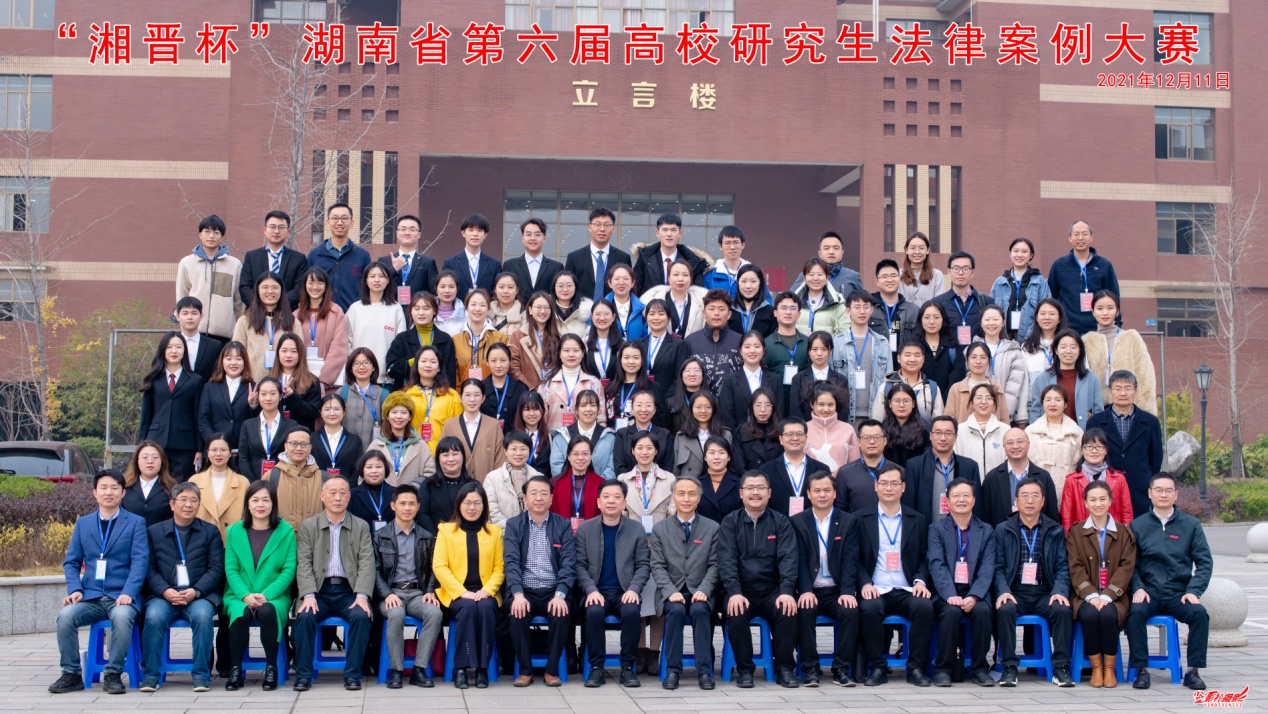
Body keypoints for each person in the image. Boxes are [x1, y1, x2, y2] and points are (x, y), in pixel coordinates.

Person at [48, 471, 149, 695]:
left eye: (114, 488)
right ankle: (71, 673)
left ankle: (113, 674)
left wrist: (129, 592)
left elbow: (140, 562)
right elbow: (71, 562)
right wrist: (75, 589)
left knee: (122, 617)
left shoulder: (135, 523)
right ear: (95, 492)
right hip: (91, 595)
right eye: (103, 488)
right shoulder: (83, 523)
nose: (108, 492)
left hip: (121, 595)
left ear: (123, 493)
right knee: (65, 616)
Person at [1126, 472, 1213, 691]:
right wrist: (1138, 587)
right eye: (1158, 490)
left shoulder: (1191, 525)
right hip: (1148, 592)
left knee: (1199, 614)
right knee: (1135, 613)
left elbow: (1204, 562)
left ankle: (1193, 671)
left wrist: (1193, 591)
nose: (1163, 494)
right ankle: (1141, 670)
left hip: (1178, 593)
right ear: (1150, 493)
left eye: (1168, 490)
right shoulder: (1137, 526)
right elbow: (1129, 564)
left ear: (1176, 494)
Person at [717, 471, 800, 688]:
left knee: (787, 610)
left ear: (769, 493)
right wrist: (734, 592)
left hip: (773, 589)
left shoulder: (780, 522)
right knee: (736, 611)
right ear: (741, 493)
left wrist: (786, 591)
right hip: (742, 589)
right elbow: (726, 560)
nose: (755, 492)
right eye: (750, 488)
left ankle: (784, 668)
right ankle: (745, 669)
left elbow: (789, 559)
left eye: (761, 488)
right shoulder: (730, 522)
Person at [139, 481, 225, 691]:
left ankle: (201, 675)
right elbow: (148, 569)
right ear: (172, 504)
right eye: (183, 500)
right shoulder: (154, 532)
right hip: (163, 595)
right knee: (154, 617)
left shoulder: (210, 531)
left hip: (198, 595)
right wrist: (164, 591)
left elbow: (216, 568)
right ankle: (151, 675)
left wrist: (196, 591)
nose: (188, 505)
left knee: (203, 617)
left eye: (194, 500)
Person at [292, 475, 375, 691]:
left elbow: (367, 563)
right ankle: (303, 675)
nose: (337, 498)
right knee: (305, 617)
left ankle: (353, 674)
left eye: (342, 493)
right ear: (322, 496)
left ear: (349, 497)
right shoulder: (309, 526)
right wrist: (308, 595)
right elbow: (303, 563)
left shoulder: (361, 526)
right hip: (319, 590)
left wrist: (361, 595)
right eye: (332, 493)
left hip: (349, 591)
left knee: (361, 616)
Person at [991, 477, 1075, 687]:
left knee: (1062, 609)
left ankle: (1061, 667)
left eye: (1035, 496)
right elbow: (998, 567)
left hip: (1044, 592)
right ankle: (1009, 667)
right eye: (1025, 496)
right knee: (1005, 609)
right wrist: (1003, 591)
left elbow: (1062, 566)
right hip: (1015, 591)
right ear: (1016, 501)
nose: (1030, 501)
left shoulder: (1054, 530)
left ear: (1043, 501)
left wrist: (1059, 591)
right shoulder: (1003, 529)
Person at [856, 463, 933, 687]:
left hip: (907, 587)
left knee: (924, 607)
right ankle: (877, 667)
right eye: (884, 483)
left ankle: (916, 668)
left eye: (894, 483)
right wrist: (864, 583)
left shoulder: (917, 519)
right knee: (869, 608)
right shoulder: (860, 518)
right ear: (875, 486)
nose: (888, 488)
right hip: (876, 587)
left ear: (903, 487)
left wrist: (920, 581)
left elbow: (924, 556)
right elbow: (854, 558)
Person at [575, 479, 651, 688]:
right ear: (598, 502)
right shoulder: (585, 529)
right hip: (595, 591)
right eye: (606, 497)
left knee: (631, 611)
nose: (611, 501)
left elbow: (643, 565)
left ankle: (627, 667)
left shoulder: (636, 529)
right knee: (594, 612)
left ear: (624, 503)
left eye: (617, 497)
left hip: (624, 591)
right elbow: (579, 565)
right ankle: (596, 668)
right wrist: (590, 590)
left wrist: (634, 589)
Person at [221, 480, 296, 691]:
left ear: (273, 503)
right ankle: (235, 669)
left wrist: (267, 595)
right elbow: (231, 570)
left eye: (265, 500)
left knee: (268, 611)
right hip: (239, 593)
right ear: (247, 503)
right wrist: (245, 595)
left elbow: (289, 569)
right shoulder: (234, 531)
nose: (260, 505)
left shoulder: (286, 531)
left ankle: (271, 667)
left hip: (275, 594)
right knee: (241, 613)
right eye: (255, 500)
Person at [504, 475, 576, 687]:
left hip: (553, 590)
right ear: (524, 498)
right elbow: (511, 563)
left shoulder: (563, 525)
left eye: (544, 493)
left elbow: (568, 565)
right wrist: (518, 594)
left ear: (551, 499)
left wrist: (560, 594)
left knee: (561, 613)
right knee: (517, 613)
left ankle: (551, 671)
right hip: (524, 590)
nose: (538, 498)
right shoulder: (514, 525)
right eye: (533, 493)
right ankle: (525, 671)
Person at [650, 475, 720, 690]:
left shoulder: (712, 527)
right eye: (681, 494)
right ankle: (672, 670)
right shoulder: (660, 529)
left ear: (699, 498)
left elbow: (716, 565)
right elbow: (657, 566)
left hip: (701, 591)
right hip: (672, 591)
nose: (686, 499)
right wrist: (670, 591)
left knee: (700, 610)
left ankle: (705, 671)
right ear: (673, 497)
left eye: (692, 494)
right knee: (676, 611)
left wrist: (705, 589)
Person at [791, 471, 860, 687]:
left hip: (836, 590)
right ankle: (810, 667)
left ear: (835, 493)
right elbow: (799, 560)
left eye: (827, 490)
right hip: (811, 589)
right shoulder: (797, 522)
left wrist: (847, 591)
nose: (822, 495)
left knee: (851, 611)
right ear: (809, 494)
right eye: (817, 490)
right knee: (804, 610)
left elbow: (850, 559)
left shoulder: (848, 521)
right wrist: (805, 590)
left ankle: (841, 668)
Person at [926, 477, 995, 687]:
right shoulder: (936, 529)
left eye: (966, 495)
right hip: (946, 591)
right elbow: (936, 565)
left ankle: (980, 668)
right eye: (956, 496)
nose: (961, 500)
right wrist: (950, 595)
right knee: (951, 612)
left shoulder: (986, 530)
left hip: (975, 591)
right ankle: (943, 669)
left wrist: (974, 595)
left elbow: (988, 567)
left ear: (974, 500)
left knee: (983, 611)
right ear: (947, 501)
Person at [373, 482, 443, 689]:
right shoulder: (380, 536)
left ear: (418, 506)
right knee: (395, 614)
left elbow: (434, 568)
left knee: (435, 613)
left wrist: (429, 591)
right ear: (393, 505)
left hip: (417, 593)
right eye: (402, 503)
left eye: (411, 504)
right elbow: (374, 570)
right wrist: (386, 593)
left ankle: (419, 669)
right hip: (391, 592)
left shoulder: (426, 536)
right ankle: (396, 670)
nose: (407, 508)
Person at [1068, 479, 1137, 689]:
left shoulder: (1124, 532)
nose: (1098, 504)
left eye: (1102, 499)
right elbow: (1075, 566)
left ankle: (1109, 668)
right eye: (1093, 500)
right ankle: (1096, 668)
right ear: (1085, 503)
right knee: (1090, 615)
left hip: (1115, 595)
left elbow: (1126, 567)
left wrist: (1107, 595)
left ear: (1110, 501)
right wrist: (1091, 595)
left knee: (1108, 615)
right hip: (1084, 595)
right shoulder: (1076, 532)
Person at [619, 431, 675, 674]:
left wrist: (661, 539)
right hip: (632, 549)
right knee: (637, 599)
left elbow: (673, 514)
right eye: (640, 447)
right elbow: (620, 514)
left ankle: (654, 653)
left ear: (656, 451)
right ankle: (640, 651)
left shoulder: (668, 478)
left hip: (662, 548)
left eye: (649, 448)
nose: (644, 452)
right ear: (632, 451)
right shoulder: (623, 479)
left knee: (659, 601)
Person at [1085, 371, 1164, 519]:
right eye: (1118, 388)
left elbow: (1156, 459)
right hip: (1106, 488)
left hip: (1140, 490)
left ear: (1135, 392)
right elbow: (1091, 455)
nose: (1123, 393)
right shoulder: (1095, 422)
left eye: (1128, 388)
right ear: (1110, 392)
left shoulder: (1150, 422)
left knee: (1139, 529)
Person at [138, 331, 204, 479]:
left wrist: (200, 449)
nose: (174, 351)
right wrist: (141, 445)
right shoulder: (153, 379)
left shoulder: (195, 380)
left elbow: (198, 416)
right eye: (169, 347)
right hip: (156, 442)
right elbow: (145, 416)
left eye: (179, 347)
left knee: (180, 486)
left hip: (185, 445)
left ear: (184, 351)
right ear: (163, 350)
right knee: (157, 484)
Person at [1083, 290, 1157, 415]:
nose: (1105, 313)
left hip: (1129, 408)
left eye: (1110, 308)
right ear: (1093, 311)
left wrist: (1146, 412)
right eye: (1100, 308)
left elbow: (1145, 376)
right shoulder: (1086, 341)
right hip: (1097, 410)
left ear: (1117, 311)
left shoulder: (1131, 338)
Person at [902, 415, 982, 525]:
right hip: (926, 529)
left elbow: (977, 507)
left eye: (948, 433)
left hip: (961, 530)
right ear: (930, 436)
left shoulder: (970, 466)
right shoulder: (915, 465)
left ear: (956, 437)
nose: (943, 438)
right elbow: (909, 505)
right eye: (938, 433)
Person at [176, 214, 243, 341]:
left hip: (224, 333)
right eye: (207, 232)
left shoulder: (234, 265)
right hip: (195, 331)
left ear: (222, 236)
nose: (211, 236)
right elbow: (182, 295)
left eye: (216, 232)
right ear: (200, 235)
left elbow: (237, 302)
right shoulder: (187, 263)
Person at [1047, 219, 1120, 335]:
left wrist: (1117, 325)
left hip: (1097, 331)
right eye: (1076, 234)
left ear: (1091, 237)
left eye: (1084, 234)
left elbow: (1114, 298)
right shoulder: (1059, 265)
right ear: (1070, 238)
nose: (1080, 238)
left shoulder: (1104, 265)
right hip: (1066, 331)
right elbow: (1051, 298)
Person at [978, 428, 1060, 527]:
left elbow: (1052, 515)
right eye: (1010, 443)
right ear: (1004, 447)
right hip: (1001, 535)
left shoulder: (1043, 477)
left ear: (1028, 444)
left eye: (1020, 441)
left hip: (1037, 534)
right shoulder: (992, 477)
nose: (1015, 446)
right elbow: (985, 516)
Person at [832, 290, 891, 419]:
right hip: (844, 414)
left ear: (872, 310)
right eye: (857, 307)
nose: (862, 311)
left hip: (876, 414)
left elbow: (889, 381)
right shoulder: (836, 343)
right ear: (848, 311)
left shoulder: (882, 343)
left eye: (866, 307)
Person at [763, 415, 835, 521]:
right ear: (781, 439)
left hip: (812, 526)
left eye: (800, 434)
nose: (795, 438)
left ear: (806, 438)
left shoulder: (822, 469)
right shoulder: (766, 470)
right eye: (789, 434)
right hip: (778, 526)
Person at [1060, 428, 1135, 530]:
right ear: (1082, 450)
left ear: (1106, 450)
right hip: (1081, 535)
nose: (1094, 451)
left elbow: (1127, 512)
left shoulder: (1119, 479)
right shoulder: (1072, 480)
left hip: (1114, 535)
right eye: (1089, 447)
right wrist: (1069, 537)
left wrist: (1126, 535)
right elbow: (1067, 516)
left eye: (1099, 447)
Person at [347, 263, 409, 383]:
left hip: (386, 378)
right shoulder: (355, 308)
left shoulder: (395, 308)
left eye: (381, 276)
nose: (377, 280)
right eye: (372, 276)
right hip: (359, 376)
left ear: (388, 280)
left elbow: (400, 343)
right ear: (366, 280)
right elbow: (348, 341)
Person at [1028, 329, 1102, 429]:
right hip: (1049, 434)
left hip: (1082, 433)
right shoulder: (1042, 379)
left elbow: (1098, 412)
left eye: (1073, 347)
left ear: (1080, 351)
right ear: (1056, 350)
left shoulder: (1091, 379)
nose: (1068, 351)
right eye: (1063, 347)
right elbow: (1035, 412)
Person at [196, 342, 254, 467]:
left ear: (245, 362)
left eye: (238, 359)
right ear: (222, 361)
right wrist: (215, 444)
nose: (233, 363)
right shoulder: (210, 387)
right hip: (215, 453)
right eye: (229, 358)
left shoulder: (253, 388)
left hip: (243, 452)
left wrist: (253, 406)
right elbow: (203, 420)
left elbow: (257, 420)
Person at [306, 203, 372, 311]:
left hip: (354, 315)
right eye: (335, 218)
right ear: (327, 222)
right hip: (323, 315)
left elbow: (369, 287)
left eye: (344, 218)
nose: (340, 223)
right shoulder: (314, 255)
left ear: (351, 223)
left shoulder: (363, 255)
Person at [385, 291, 457, 390]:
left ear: (435, 311)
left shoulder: (445, 339)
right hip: (407, 395)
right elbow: (391, 371)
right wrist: (414, 361)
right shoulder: (401, 339)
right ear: (411, 311)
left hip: (438, 394)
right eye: (416, 308)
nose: (421, 313)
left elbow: (450, 375)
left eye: (426, 308)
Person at [232, 272, 296, 381]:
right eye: (265, 287)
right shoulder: (244, 321)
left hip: (284, 385)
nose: (270, 291)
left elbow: (299, 355)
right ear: (257, 290)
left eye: (275, 287)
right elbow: (237, 354)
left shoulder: (292, 322)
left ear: (281, 290)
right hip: (251, 383)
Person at [440, 379, 508, 482]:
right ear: (460, 398)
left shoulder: (493, 425)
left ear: (483, 398)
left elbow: (500, 460)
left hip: (486, 486)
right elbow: (442, 456)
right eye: (467, 395)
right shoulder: (449, 425)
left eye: (476, 395)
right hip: (457, 486)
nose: (472, 399)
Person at [268, 427, 334, 531]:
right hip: (282, 537)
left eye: (304, 444)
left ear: (310, 448)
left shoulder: (323, 477)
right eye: (293, 443)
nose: (299, 448)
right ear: (285, 446)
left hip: (314, 538)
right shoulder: (272, 475)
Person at [239, 210, 307, 309]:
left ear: (288, 232)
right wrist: (261, 306)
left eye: (281, 227)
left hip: (287, 312)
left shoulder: (298, 258)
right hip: (256, 312)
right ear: (264, 230)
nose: (276, 231)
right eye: (272, 227)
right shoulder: (252, 256)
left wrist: (280, 305)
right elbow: (244, 287)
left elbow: (300, 287)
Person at [367, 390, 437, 487]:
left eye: (404, 412)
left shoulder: (420, 444)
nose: (399, 416)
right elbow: (364, 474)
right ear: (387, 416)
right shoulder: (376, 445)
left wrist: (416, 487)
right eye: (394, 412)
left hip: (412, 495)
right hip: (382, 496)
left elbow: (431, 472)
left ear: (409, 417)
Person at [990, 237, 1052, 342]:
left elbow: (1046, 311)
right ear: (1010, 254)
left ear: (1031, 255)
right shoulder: (999, 282)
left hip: (1032, 340)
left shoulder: (1040, 282)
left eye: (1024, 251)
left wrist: (1031, 336)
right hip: (1004, 339)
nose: (1019, 255)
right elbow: (991, 312)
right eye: (1016, 251)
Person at [539, 334, 606, 432]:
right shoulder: (547, 385)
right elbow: (541, 420)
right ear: (559, 353)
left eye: (576, 350)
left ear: (583, 353)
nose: (571, 354)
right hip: (555, 438)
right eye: (566, 350)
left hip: (585, 439)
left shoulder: (594, 383)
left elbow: (601, 418)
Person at [976, 305, 1029, 426]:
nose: (991, 323)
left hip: (1006, 417)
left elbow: (1015, 386)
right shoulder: (972, 350)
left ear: (1003, 322)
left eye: (996, 319)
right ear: (981, 323)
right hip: (978, 415)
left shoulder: (1014, 351)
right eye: (987, 319)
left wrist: (1003, 412)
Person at [189, 434, 249, 541]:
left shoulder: (243, 482)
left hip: (232, 541)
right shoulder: (195, 481)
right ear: (207, 453)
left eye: (223, 450)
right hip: (201, 541)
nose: (218, 454)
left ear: (230, 453)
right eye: (214, 450)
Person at [565, 207, 633, 302]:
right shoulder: (574, 257)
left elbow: (628, 288)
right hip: (582, 309)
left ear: (613, 229)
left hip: (613, 309)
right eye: (597, 224)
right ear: (590, 227)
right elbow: (568, 286)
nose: (602, 229)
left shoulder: (623, 258)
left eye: (607, 225)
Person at [1026, 385, 1084, 496]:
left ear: (1065, 404)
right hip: (1036, 492)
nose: (1052, 404)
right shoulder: (1030, 431)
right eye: (1048, 400)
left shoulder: (1076, 433)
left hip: (1068, 491)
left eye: (1058, 400)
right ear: (1042, 403)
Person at [376, 214, 439, 317]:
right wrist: (393, 269)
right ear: (397, 233)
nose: (407, 233)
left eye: (412, 229)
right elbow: (377, 287)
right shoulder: (384, 261)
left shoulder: (427, 262)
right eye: (403, 229)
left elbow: (433, 292)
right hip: (389, 314)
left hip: (417, 315)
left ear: (419, 234)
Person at [833, 419, 900, 515]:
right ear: (858, 442)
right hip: (856, 523)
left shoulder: (898, 471)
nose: (872, 442)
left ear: (885, 441)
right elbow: (840, 509)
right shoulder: (845, 473)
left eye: (877, 437)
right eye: (866, 438)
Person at [405, 344, 463, 453]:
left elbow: (458, 429)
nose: (428, 365)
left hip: (443, 453)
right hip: (413, 452)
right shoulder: (407, 395)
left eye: (433, 362)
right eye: (423, 361)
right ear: (416, 366)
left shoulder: (451, 395)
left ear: (439, 367)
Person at [236, 377, 296, 481]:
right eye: (263, 394)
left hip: (283, 482)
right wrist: (254, 484)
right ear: (258, 397)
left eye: (273, 393)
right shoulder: (248, 425)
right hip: (254, 483)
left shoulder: (291, 425)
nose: (268, 398)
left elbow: (294, 457)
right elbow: (243, 457)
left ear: (280, 396)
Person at [684, 289, 743, 395]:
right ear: (704, 313)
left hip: (731, 402)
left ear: (729, 314)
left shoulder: (740, 341)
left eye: (721, 309)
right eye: (711, 309)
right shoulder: (690, 341)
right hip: (699, 402)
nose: (716, 313)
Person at [870, 339, 944, 423]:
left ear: (923, 359)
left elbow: (939, 424)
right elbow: (877, 422)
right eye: (907, 355)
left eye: (917, 355)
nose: (912, 359)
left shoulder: (932, 388)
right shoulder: (886, 388)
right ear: (899, 358)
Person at [717, 330, 778, 430]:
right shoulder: (730, 380)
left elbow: (778, 413)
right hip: (739, 436)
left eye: (757, 346)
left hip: (769, 436)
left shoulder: (775, 379)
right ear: (740, 350)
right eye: (747, 347)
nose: (752, 351)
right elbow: (727, 416)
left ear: (763, 350)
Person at [633, 213, 708, 293]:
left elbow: (698, 292)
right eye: (665, 230)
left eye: (673, 230)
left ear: (680, 233)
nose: (669, 234)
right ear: (657, 233)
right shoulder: (645, 257)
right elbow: (636, 288)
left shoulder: (693, 262)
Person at [675, 391, 739, 480]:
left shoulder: (725, 434)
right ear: (691, 409)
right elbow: (676, 469)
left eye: (708, 407)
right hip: (690, 485)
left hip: (719, 483)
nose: (703, 411)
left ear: (714, 409)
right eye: (698, 407)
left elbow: (733, 465)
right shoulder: (681, 436)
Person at [763, 292, 809, 417]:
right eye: (783, 308)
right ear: (775, 313)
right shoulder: (766, 344)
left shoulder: (808, 343)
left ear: (799, 314)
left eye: (793, 308)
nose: (788, 312)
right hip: (774, 408)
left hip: (803, 407)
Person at [869, 259, 920, 369]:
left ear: (900, 279)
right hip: (876, 367)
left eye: (893, 276)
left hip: (905, 368)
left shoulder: (913, 311)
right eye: (884, 276)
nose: (889, 280)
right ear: (877, 281)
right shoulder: (868, 309)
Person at [943, 342, 1010, 425]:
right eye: (973, 357)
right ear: (967, 360)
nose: (978, 361)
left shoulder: (997, 388)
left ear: (989, 361)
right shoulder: (956, 388)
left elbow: (1004, 421)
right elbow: (948, 421)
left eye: (983, 357)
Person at [418, 436, 477, 530]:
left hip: (467, 535)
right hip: (435, 536)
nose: (451, 459)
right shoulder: (428, 484)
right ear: (438, 458)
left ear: (463, 456)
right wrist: (437, 536)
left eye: (455, 454)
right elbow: (422, 514)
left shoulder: (473, 485)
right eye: (445, 455)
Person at [485, 432, 543, 526]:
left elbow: (541, 509)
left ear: (529, 451)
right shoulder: (492, 478)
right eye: (514, 449)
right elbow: (492, 512)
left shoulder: (538, 478)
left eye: (523, 449)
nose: (518, 453)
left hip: (532, 531)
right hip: (502, 532)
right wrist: (512, 529)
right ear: (505, 451)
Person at [611, 387, 673, 475]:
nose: (643, 409)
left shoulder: (665, 435)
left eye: (648, 405)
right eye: (639, 405)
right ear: (632, 409)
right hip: (628, 482)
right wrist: (635, 481)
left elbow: (668, 467)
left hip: (660, 481)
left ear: (654, 410)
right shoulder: (622, 434)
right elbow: (619, 467)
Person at [953, 384, 1008, 479]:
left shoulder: (1005, 430)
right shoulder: (959, 431)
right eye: (979, 398)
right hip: (968, 484)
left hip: (997, 484)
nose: (984, 402)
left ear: (994, 403)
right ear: (971, 402)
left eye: (989, 398)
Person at [932, 251, 988, 344]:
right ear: (949, 272)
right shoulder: (937, 303)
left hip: (977, 352)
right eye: (956, 268)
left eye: (965, 268)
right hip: (949, 353)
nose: (961, 272)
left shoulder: (986, 302)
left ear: (972, 272)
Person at [454, 288, 508, 383]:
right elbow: (454, 373)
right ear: (466, 308)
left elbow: (506, 369)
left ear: (488, 309)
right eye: (473, 304)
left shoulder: (500, 338)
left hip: (492, 390)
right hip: (465, 391)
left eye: (482, 305)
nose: (477, 309)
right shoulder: (456, 340)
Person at [268, 332, 322, 428]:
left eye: (293, 351)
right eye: (284, 351)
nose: (288, 355)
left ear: (300, 354)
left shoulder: (311, 381)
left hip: (300, 433)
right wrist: (253, 405)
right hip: (275, 432)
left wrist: (293, 396)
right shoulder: (270, 380)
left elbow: (313, 413)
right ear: (278, 353)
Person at [509, 291, 560, 391]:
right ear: (530, 310)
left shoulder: (558, 336)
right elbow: (513, 368)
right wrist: (531, 389)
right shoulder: (518, 335)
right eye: (538, 307)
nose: (543, 311)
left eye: (547, 307)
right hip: (528, 392)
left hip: (553, 392)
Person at [503, 218, 563, 303]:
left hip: (545, 310)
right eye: (528, 234)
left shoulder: (556, 267)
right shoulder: (510, 265)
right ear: (522, 238)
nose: (533, 238)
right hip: (517, 310)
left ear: (544, 238)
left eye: (537, 234)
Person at [804, 383, 860, 473]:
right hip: (810, 481)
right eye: (821, 404)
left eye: (830, 405)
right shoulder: (803, 429)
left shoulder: (847, 429)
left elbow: (855, 464)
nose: (826, 409)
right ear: (812, 404)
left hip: (841, 481)